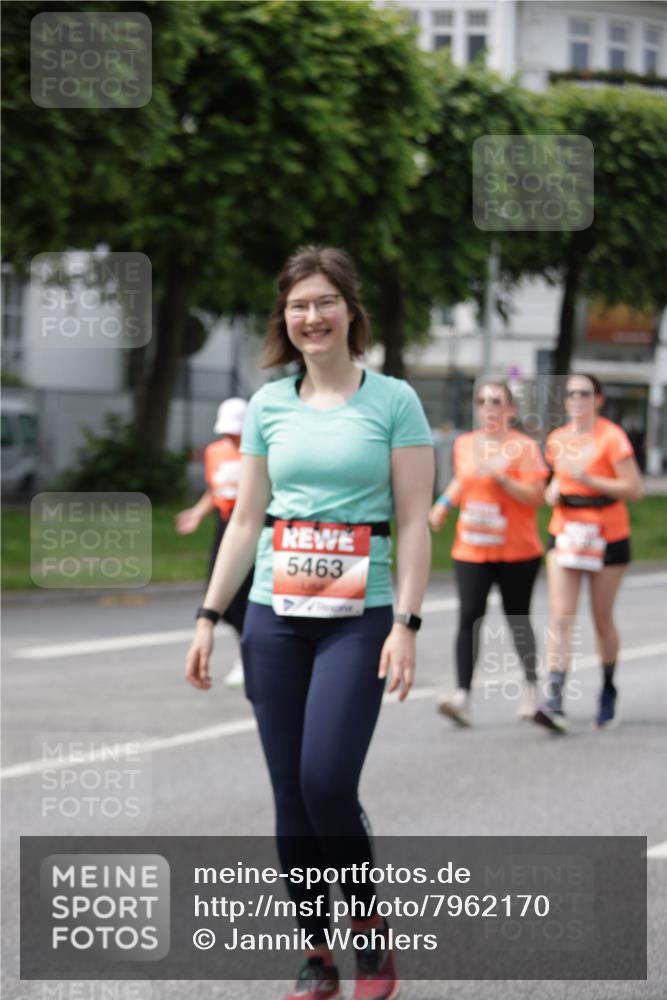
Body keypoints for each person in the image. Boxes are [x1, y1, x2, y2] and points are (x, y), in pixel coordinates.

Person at [185, 246, 434, 1000]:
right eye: (298, 305)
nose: (311, 316)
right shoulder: (268, 406)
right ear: (283, 318)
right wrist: (206, 617)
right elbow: (245, 520)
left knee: (326, 781)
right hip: (273, 615)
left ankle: (366, 929)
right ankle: (316, 954)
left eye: (324, 301)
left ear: (349, 311)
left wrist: (408, 624)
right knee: (290, 795)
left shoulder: (393, 401)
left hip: (360, 616)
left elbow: (417, 522)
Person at [429, 380, 548, 726]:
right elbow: (462, 481)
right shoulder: (465, 444)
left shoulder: (524, 448)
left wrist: (504, 479)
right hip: (471, 548)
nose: (488, 408)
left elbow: (537, 496)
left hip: (517, 551)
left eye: (496, 402)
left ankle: (530, 690)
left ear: (510, 410)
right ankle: (462, 696)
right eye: (482, 401)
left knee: (517, 618)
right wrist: (443, 505)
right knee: (468, 617)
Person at [533, 373, 643, 733]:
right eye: (570, 394)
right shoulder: (557, 439)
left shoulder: (612, 438)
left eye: (584, 394)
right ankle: (554, 700)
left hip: (607, 532)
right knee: (561, 616)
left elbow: (634, 489)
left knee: (600, 618)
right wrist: (551, 491)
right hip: (566, 531)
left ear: (598, 399)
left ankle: (609, 688)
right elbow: (552, 481)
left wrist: (591, 479)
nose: (576, 400)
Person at [176, 397, 252, 687]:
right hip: (224, 525)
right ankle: (244, 649)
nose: (231, 436)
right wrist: (196, 513)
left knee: (247, 593)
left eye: (237, 430)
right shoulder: (214, 452)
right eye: (228, 430)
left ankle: (247, 655)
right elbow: (214, 490)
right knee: (219, 592)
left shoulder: (258, 453)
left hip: (251, 525)